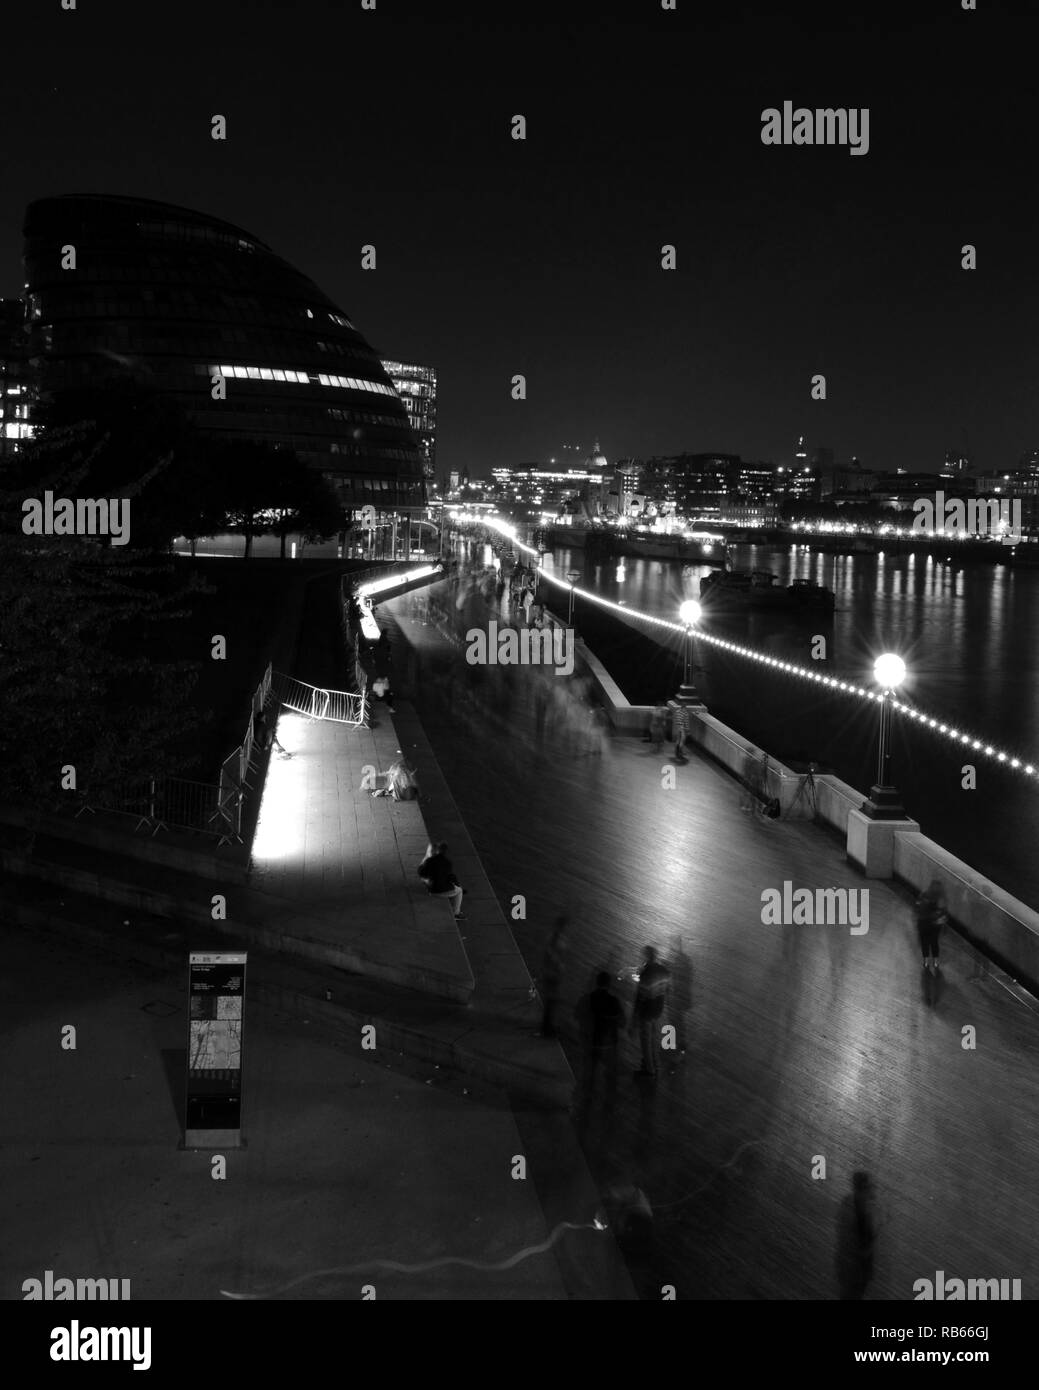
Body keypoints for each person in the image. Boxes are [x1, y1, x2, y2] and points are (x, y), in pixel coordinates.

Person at [580, 971, 625, 1094]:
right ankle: (610, 1095)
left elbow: (580, 1017)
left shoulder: (588, 999)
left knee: (591, 1069)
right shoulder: (614, 1001)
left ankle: (588, 1093)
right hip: (610, 1042)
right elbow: (622, 1023)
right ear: (609, 985)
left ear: (596, 982)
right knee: (610, 1071)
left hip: (594, 1040)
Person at [630, 946, 670, 1077]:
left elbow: (640, 997)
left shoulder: (646, 973)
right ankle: (655, 1063)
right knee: (654, 1038)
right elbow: (668, 990)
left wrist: (634, 1019)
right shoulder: (664, 970)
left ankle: (649, 1070)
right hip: (658, 1009)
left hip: (647, 1011)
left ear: (647, 957)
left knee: (646, 1042)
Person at [536, 917, 569, 1038]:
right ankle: (547, 1028)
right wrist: (559, 965)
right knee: (551, 1001)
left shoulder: (555, 938)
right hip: (552, 974)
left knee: (551, 1001)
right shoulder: (556, 939)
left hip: (552, 973)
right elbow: (551, 954)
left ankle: (547, 1026)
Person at [418, 841, 465, 918]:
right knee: (459, 891)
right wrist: (457, 884)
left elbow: (421, 873)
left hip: (430, 889)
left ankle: (452, 900)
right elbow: (450, 877)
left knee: (450, 886)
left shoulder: (429, 860)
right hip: (440, 891)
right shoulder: (448, 863)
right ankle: (456, 913)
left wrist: (426, 858)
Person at [915, 879, 947, 972]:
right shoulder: (940, 897)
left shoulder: (924, 894)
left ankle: (927, 962)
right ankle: (934, 962)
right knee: (933, 942)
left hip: (925, 922)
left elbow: (918, 906)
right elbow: (943, 912)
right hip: (933, 923)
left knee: (926, 942)